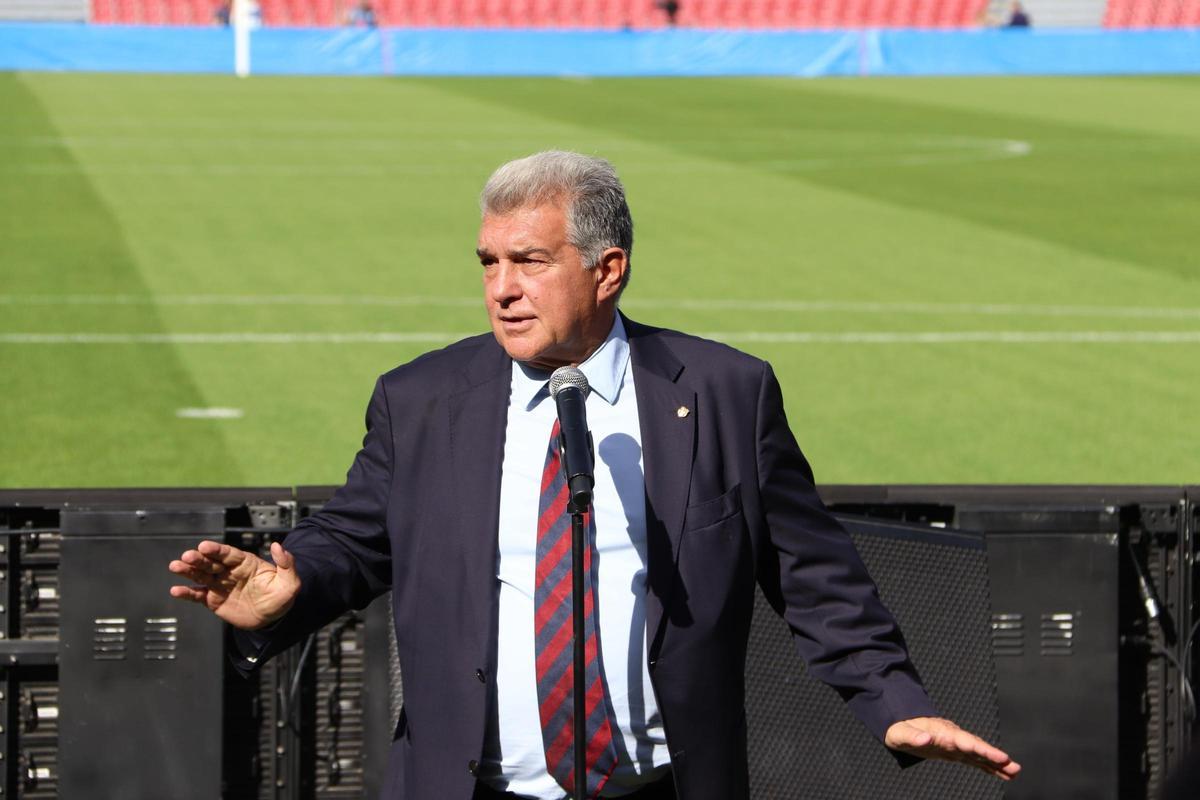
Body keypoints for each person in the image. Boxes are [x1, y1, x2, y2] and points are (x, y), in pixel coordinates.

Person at [168, 151, 1020, 799]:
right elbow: (354, 539)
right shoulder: (420, 398)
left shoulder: (724, 393)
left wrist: (894, 702)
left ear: (607, 269)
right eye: (488, 262)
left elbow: (812, 574)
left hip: (663, 786)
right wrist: (290, 589)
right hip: (470, 786)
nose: (501, 289)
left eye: (530, 262)